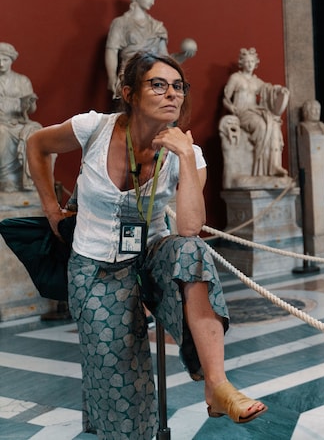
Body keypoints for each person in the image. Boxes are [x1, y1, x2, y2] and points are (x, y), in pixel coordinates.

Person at [26, 52, 267, 439]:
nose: (172, 94)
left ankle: (217, 385)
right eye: (158, 84)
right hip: (95, 266)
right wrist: (52, 209)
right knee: (119, 377)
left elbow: (189, 228)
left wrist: (186, 156)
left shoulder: (187, 155)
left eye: (178, 86)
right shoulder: (94, 128)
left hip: (153, 256)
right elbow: (36, 145)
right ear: (130, 93)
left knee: (194, 252)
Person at [222, 47, 290, 178]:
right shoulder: (235, 78)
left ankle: (274, 166)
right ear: (242, 63)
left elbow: (269, 90)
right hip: (243, 113)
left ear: (255, 63)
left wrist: (280, 91)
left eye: (252, 62)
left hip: (255, 111)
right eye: (247, 61)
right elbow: (225, 99)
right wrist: (232, 109)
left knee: (274, 125)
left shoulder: (256, 81)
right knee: (261, 126)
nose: (249, 64)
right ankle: (261, 171)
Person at [0, 42, 40, 192]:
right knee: (2, 132)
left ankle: (30, 180)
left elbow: (31, 110)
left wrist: (28, 104)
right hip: (2, 124)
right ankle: (6, 180)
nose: (1, 63)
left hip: (19, 122)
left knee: (36, 134)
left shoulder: (22, 81)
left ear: (11, 60)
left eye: (5, 60)